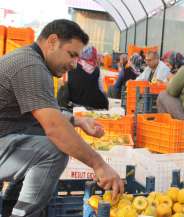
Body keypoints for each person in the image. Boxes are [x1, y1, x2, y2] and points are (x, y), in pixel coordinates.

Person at [0, 19, 124, 217]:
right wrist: (98, 164)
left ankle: (10, 207)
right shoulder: (30, 66)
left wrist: (78, 121)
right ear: (52, 41)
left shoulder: (31, 60)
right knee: (53, 150)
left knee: (43, 141)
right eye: (72, 55)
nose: (75, 65)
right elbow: (54, 128)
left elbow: (44, 113)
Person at [58, 46, 109, 110]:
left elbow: (63, 84)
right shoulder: (97, 70)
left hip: (73, 105)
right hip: (94, 106)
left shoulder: (71, 67)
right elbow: (102, 90)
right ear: (94, 55)